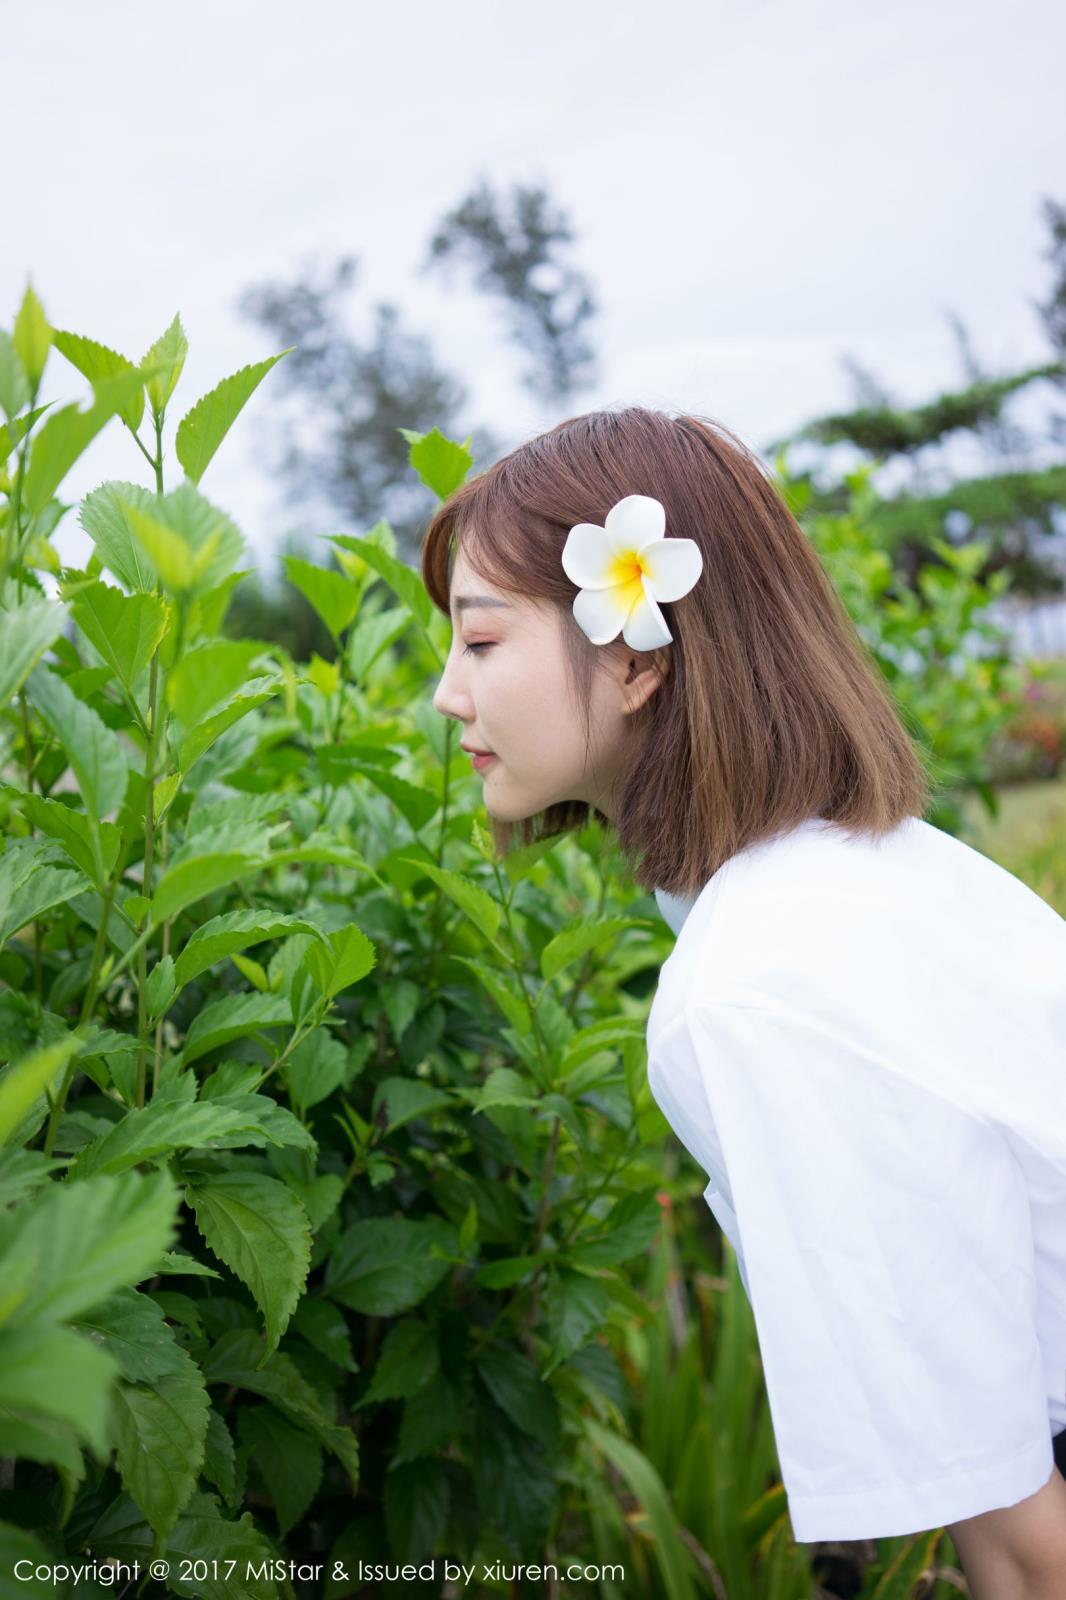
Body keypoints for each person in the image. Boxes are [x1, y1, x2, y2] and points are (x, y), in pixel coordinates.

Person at [424, 406, 1066, 1585]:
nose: (445, 695)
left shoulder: (753, 986)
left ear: (634, 657)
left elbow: (1028, 1548)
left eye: (479, 641)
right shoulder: (869, 871)